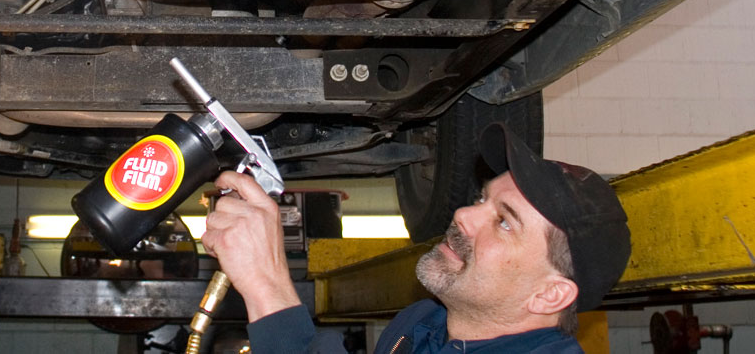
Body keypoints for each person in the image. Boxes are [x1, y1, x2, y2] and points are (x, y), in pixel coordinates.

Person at [202, 123, 632, 354]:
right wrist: (264, 285)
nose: (463, 215)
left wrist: (267, 283)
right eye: (482, 199)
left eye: (504, 221)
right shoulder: (421, 325)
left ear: (549, 295)